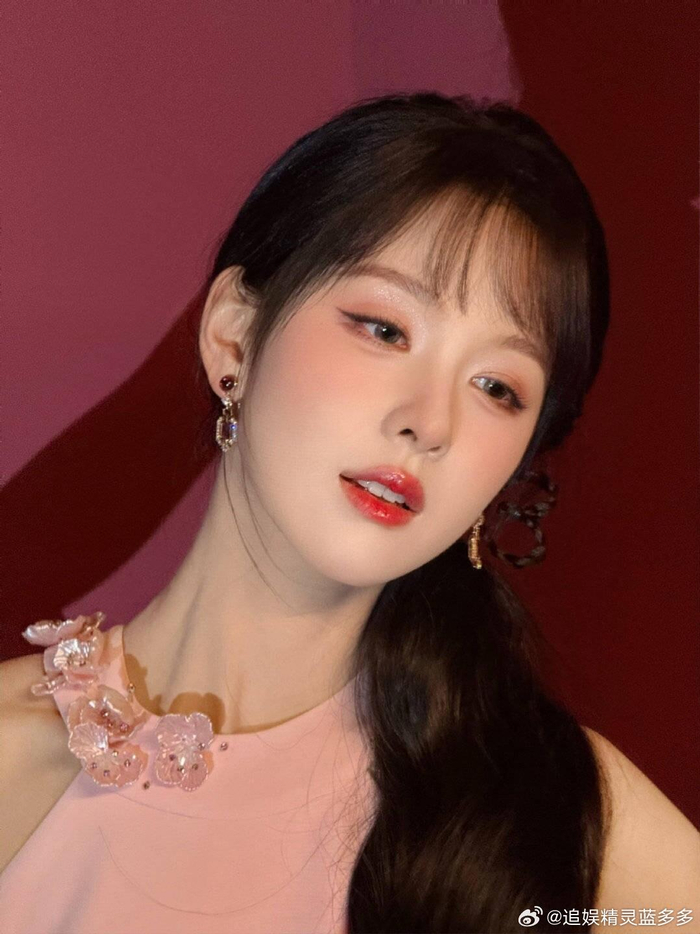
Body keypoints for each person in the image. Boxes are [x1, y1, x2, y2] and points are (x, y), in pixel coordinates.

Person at [0, 92, 697, 934]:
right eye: (385, 330)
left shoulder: (548, 811)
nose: (430, 423)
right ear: (233, 336)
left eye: (497, 388)